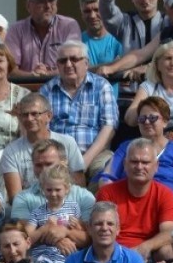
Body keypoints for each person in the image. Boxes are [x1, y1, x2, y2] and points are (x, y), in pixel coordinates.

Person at [100, 96, 173, 217]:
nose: (147, 122)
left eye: (153, 118)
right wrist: (117, 203)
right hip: (128, 206)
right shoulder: (126, 147)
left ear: (165, 121)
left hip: (166, 208)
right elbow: (106, 178)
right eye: (142, 118)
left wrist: (165, 204)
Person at [40, 41, 119, 180]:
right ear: (57, 65)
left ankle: (95, 203)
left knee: (104, 172)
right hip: (57, 155)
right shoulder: (47, 90)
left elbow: (109, 127)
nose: (68, 64)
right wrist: (57, 159)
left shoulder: (101, 86)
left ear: (86, 63)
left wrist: (84, 162)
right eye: (63, 61)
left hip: (95, 154)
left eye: (74, 59)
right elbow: (42, 129)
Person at [100, 139, 173, 260]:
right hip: (113, 253)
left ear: (156, 166)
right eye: (134, 161)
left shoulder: (166, 195)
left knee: (168, 251)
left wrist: (145, 247)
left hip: (149, 253)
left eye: (145, 162)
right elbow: (100, 230)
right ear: (125, 164)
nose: (139, 167)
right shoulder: (107, 193)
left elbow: (169, 233)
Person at [0, 94, 86, 199]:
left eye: (35, 114)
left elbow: (79, 187)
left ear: (48, 116)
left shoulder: (68, 143)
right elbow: (15, 198)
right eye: (25, 115)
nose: (29, 118)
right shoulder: (11, 151)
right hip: (29, 209)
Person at [5, 0, 81, 74]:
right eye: (42, 2)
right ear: (28, 6)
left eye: (51, 1)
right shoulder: (16, 30)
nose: (48, 6)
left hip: (61, 86)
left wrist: (46, 75)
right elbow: (10, 70)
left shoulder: (69, 25)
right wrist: (33, 78)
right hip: (25, 87)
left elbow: (74, 64)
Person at [123, 41, 173, 127]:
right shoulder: (149, 87)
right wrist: (147, 107)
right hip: (156, 138)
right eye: (168, 58)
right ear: (157, 65)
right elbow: (130, 119)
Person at [79, 0, 124, 79]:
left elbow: (128, 65)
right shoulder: (77, 41)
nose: (92, 16)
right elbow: (77, 70)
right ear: (82, 15)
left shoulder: (118, 39)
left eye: (97, 10)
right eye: (87, 11)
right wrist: (114, 65)